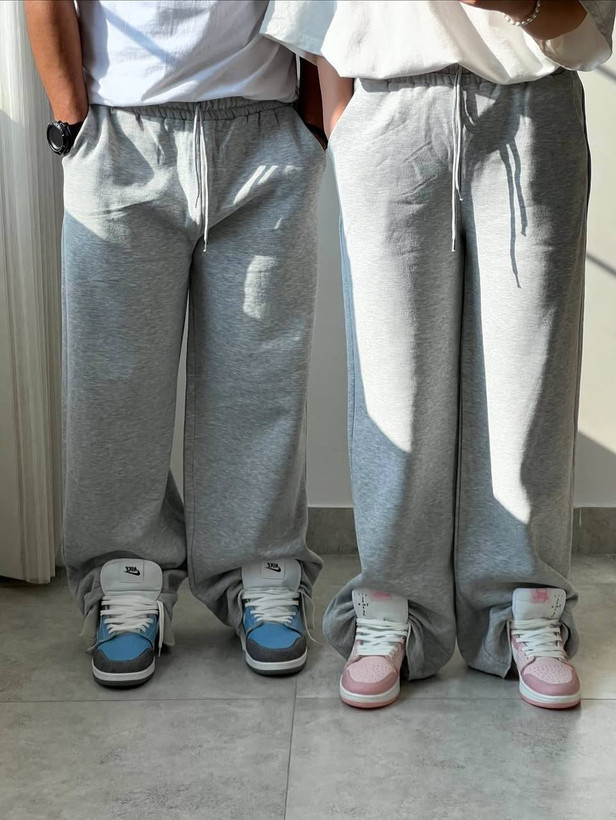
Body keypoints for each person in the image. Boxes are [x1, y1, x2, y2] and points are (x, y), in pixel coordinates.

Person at [262, 0, 615, 709]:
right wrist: (345, 121)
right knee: (394, 387)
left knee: (529, 382)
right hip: (388, 110)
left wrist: (518, 3)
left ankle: (525, 603)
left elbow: (587, 29)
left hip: (531, 108)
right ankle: (391, 600)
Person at [25, 0, 327, 687]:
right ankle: (124, 572)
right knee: (114, 381)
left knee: (261, 374)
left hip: (265, 131)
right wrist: (72, 120)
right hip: (119, 132)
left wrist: (311, 125)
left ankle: (260, 566)